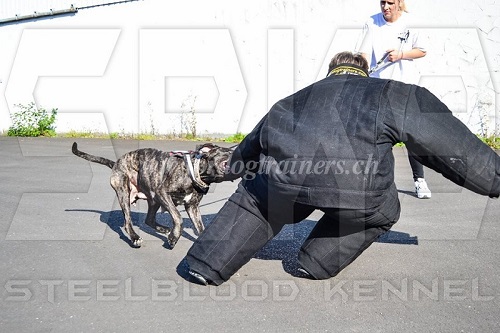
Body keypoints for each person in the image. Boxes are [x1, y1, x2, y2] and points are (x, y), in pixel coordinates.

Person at [184, 51, 500, 286]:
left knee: (256, 196)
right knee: (382, 210)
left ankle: (205, 262)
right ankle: (315, 262)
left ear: (330, 72)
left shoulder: (290, 100)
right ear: (363, 74)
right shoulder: (391, 93)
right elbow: (449, 146)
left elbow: (245, 153)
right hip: (356, 193)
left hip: (281, 186)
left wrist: (218, 170)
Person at [359, 0, 431, 199]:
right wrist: (362, 73)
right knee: (378, 137)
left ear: (399, 3)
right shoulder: (371, 22)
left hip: (404, 89)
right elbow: (364, 54)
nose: (385, 7)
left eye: (390, 2)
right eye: (382, 2)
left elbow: (422, 50)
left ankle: (419, 181)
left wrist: (401, 54)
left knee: (411, 137)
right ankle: (374, 184)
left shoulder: (411, 23)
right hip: (377, 89)